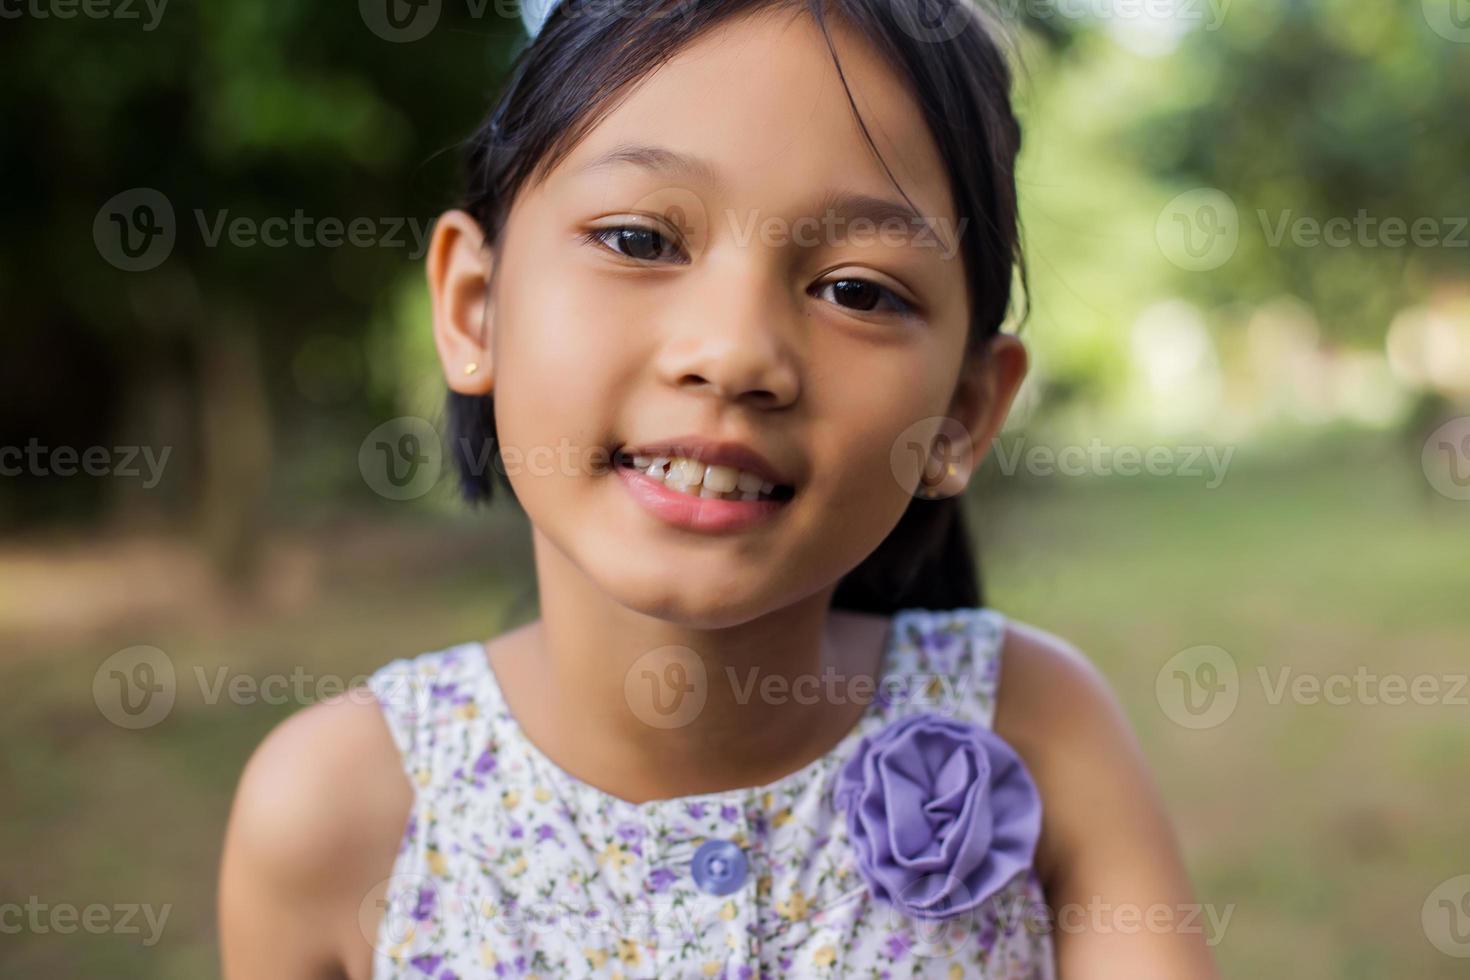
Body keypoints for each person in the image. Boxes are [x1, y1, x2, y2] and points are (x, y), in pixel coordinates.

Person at [219, 0, 1220, 976]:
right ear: (476, 309)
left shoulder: (1038, 727)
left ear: (959, 416)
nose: (736, 353)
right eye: (640, 240)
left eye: (858, 289)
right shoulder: (337, 808)